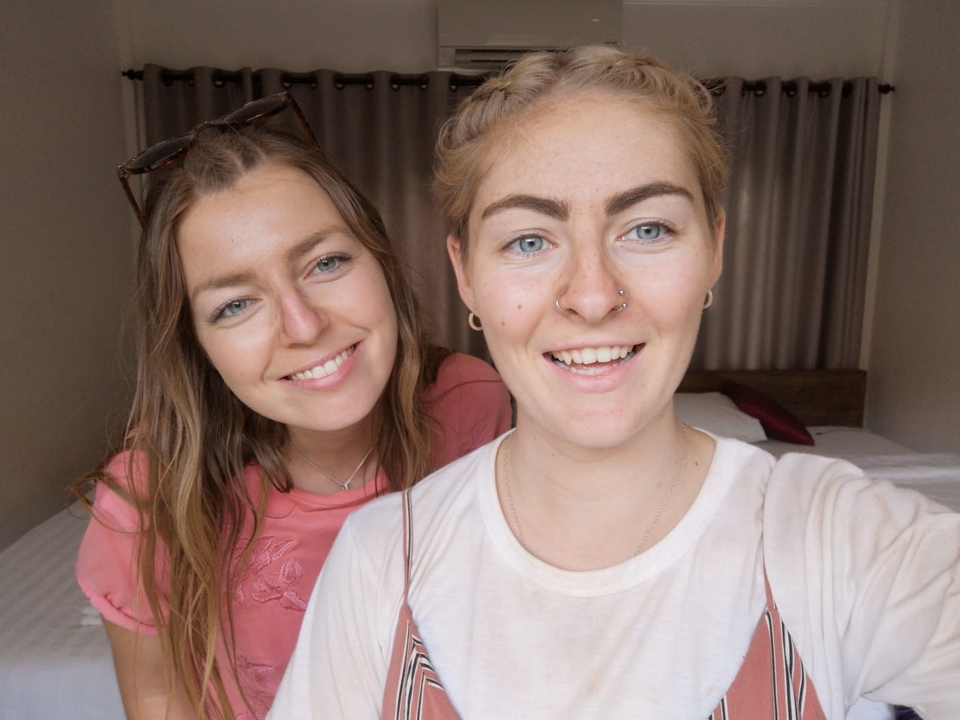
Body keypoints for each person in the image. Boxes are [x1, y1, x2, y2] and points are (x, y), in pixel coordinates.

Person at [267, 48, 960, 719]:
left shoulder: (841, 540)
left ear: (714, 248)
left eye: (648, 228)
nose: (593, 296)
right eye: (530, 241)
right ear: (466, 273)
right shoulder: (382, 561)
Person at [74, 93, 512, 720]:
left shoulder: (471, 402)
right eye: (235, 305)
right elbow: (157, 701)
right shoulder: (149, 499)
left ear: (381, 261)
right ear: (196, 345)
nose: (303, 326)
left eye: (326, 262)